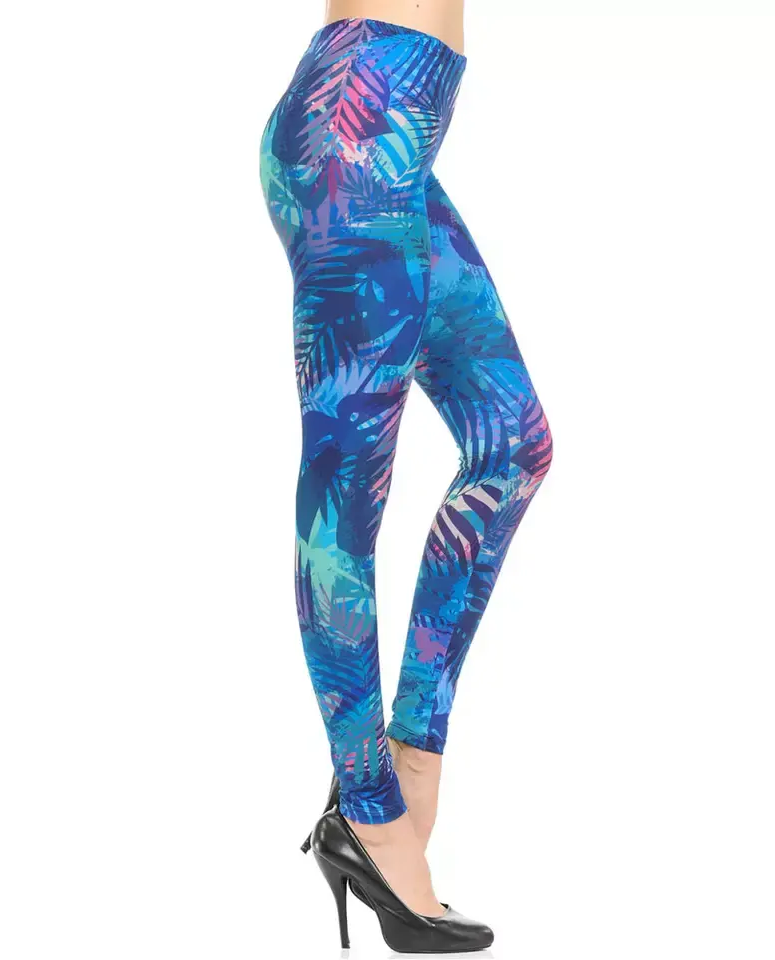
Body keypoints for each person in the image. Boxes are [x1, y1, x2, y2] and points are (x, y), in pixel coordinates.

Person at [258, 1, 553, 950]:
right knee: (346, 495)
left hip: (394, 133)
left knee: (513, 442)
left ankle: (410, 757)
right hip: (357, 125)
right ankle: (368, 811)